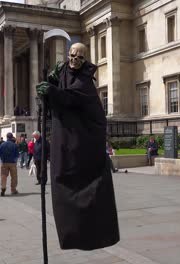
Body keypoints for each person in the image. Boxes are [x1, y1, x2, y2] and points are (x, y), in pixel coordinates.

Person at [35, 42, 119, 250]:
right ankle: (70, 235)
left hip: (81, 143)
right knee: (60, 185)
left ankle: (88, 235)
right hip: (64, 138)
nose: (74, 60)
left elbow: (70, 97)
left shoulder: (85, 84)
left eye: (80, 58)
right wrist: (50, 82)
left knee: (79, 187)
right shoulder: (64, 71)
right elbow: (59, 94)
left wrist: (51, 90)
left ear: (84, 60)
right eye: (72, 55)